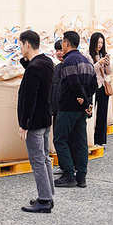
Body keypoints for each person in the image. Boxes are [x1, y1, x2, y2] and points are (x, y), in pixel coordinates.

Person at [53, 31, 97, 188]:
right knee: (81, 142)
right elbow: (94, 83)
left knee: (59, 139)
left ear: (66, 43)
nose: (62, 46)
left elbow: (73, 82)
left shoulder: (69, 61)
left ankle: (69, 174)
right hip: (80, 110)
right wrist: (85, 101)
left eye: (62, 43)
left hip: (68, 107)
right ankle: (82, 176)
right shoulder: (86, 60)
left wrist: (82, 99)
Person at [17, 30, 55, 213]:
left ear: (27, 45)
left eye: (21, 44)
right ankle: (48, 195)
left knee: (37, 159)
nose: (20, 48)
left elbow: (29, 98)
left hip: (35, 121)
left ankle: (44, 200)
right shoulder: (46, 62)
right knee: (45, 157)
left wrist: (24, 124)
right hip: (46, 117)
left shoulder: (34, 68)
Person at [88, 32, 111, 147]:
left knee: (102, 113)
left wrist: (107, 64)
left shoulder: (104, 54)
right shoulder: (88, 55)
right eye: (98, 43)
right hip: (93, 85)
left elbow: (109, 72)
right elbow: (89, 69)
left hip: (104, 86)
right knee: (90, 113)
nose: (100, 45)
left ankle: (100, 140)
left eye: (102, 43)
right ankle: (89, 138)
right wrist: (98, 63)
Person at [51, 39, 65, 176]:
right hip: (56, 108)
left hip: (65, 109)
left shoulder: (69, 66)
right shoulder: (56, 68)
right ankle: (63, 165)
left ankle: (69, 166)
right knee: (57, 137)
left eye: (61, 50)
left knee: (64, 138)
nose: (59, 53)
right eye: (57, 50)